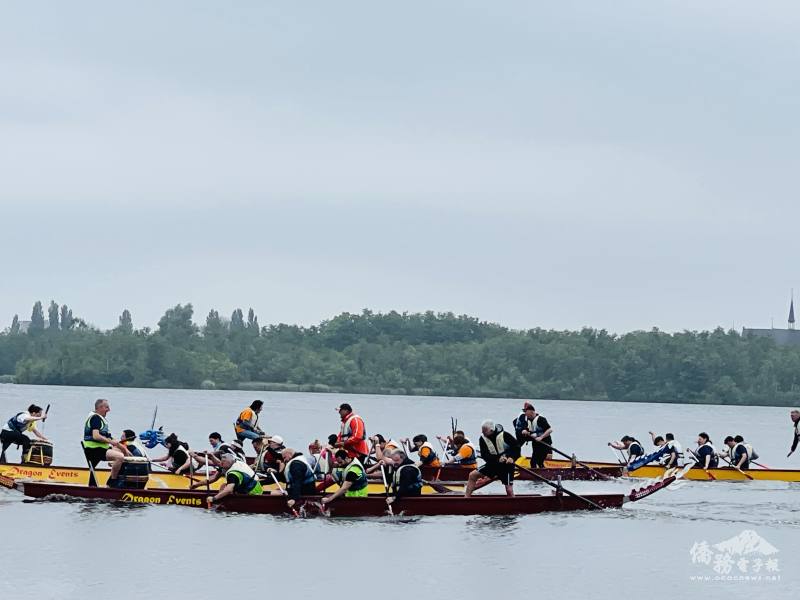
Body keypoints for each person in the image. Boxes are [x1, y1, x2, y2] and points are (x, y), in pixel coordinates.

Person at [82, 399, 131, 486]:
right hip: (94, 449)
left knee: (123, 453)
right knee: (119, 457)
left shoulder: (101, 419)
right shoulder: (95, 418)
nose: (109, 410)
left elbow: (109, 437)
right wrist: (111, 442)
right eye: (107, 407)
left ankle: (117, 475)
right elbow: (95, 436)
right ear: (100, 408)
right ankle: (112, 482)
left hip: (101, 448)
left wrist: (123, 448)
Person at [466, 420, 520, 497]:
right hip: (493, 464)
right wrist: (497, 459)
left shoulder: (505, 435)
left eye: (484, 430)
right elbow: (485, 455)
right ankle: (466, 498)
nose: (482, 432)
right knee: (472, 475)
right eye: (482, 430)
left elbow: (516, 448)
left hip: (507, 466)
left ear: (491, 430)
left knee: (509, 490)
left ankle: (514, 505)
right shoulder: (482, 439)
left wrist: (512, 457)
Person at [514, 402, 553, 468]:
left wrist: (541, 437)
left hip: (544, 441)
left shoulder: (540, 419)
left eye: (526, 411)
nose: (525, 413)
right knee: (533, 462)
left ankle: (543, 473)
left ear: (531, 411)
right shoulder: (527, 420)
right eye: (524, 411)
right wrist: (525, 432)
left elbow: (550, 430)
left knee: (539, 461)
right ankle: (535, 475)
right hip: (535, 442)